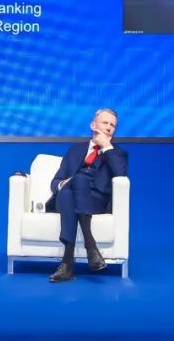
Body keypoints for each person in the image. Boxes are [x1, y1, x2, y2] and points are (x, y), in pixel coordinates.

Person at [46, 109, 129, 282]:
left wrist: (106, 147)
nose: (109, 128)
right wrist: (64, 183)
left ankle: (67, 264)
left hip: (95, 201)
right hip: (67, 196)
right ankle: (91, 247)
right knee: (71, 187)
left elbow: (120, 174)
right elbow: (55, 182)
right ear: (93, 125)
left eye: (113, 125)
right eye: (105, 123)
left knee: (73, 187)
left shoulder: (118, 153)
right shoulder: (75, 150)